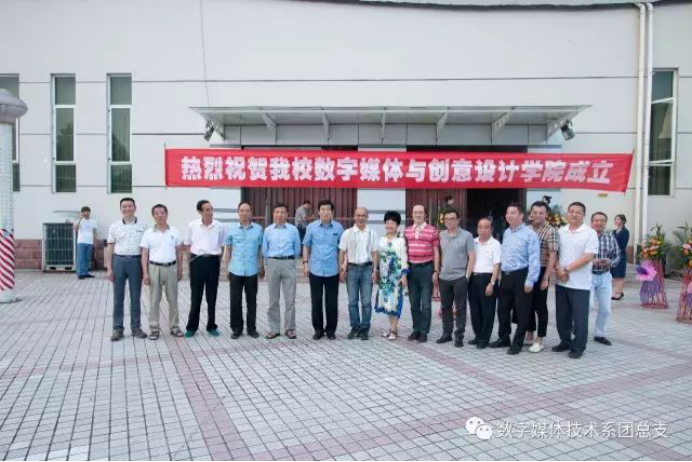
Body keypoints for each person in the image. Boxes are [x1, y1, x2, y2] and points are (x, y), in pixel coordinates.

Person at [490, 203, 540, 355]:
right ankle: (504, 337)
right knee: (502, 310)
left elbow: (534, 259)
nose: (509, 215)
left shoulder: (530, 235)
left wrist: (530, 280)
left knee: (522, 311)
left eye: (513, 213)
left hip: (522, 276)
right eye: (507, 213)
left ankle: (517, 343)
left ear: (521, 215)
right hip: (506, 276)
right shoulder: (506, 232)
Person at [554, 202, 600, 359]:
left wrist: (566, 269)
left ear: (583, 215)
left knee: (580, 318)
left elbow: (588, 257)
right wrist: (559, 271)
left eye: (578, 212)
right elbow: (554, 253)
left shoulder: (590, 233)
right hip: (562, 282)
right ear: (567, 213)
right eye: (571, 211)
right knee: (562, 316)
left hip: (580, 284)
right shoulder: (560, 231)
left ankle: (578, 346)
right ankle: (565, 341)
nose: (574, 214)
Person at [107, 198, 148, 342]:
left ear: (135, 207)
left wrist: (146, 269)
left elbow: (145, 249)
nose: (127, 208)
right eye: (124, 206)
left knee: (135, 297)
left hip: (136, 262)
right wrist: (109, 268)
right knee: (118, 297)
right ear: (121, 209)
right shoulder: (114, 226)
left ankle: (136, 328)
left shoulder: (144, 225)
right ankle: (117, 328)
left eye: (130, 206)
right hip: (119, 261)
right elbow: (110, 247)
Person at [141, 204, 184, 340]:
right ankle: (154, 328)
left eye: (162, 212)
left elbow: (179, 252)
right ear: (153, 216)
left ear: (167, 214)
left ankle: (175, 327)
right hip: (154, 268)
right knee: (154, 300)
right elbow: (144, 254)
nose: (160, 215)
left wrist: (180, 269)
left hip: (171, 268)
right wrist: (145, 273)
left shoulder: (175, 231)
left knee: (173, 299)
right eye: (157, 213)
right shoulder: (148, 233)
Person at [184, 200, 226, 338]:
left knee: (212, 296)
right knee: (196, 296)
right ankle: (192, 327)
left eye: (211, 209)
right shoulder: (192, 225)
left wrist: (218, 262)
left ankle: (211, 326)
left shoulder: (220, 226)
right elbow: (187, 245)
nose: (210, 212)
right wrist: (189, 264)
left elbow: (222, 245)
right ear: (200, 211)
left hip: (213, 262)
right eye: (207, 210)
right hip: (197, 261)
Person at [303, 200, 344, 341]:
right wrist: (305, 264)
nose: (326, 212)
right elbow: (306, 245)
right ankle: (318, 330)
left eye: (328, 209)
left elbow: (342, 249)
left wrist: (342, 265)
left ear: (332, 212)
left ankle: (331, 330)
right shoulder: (311, 227)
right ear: (318, 211)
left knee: (332, 302)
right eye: (323, 209)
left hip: (332, 270)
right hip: (315, 270)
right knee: (316, 301)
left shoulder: (338, 227)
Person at [224, 202, 264, 340]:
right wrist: (227, 268)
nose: (244, 213)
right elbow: (228, 250)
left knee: (251, 301)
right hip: (235, 269)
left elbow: (260, 250)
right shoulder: (231, 229)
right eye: (242, 210)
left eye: (247, 210)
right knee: (235, 301)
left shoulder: (258, 229)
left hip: (252, 270)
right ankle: (237, 329)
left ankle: (252, 329)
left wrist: (261, 266)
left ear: (251, 213)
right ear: (238, 212)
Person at [437, 209, 476, 348]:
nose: (449, 221)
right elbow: (439, 254)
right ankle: (446, 333)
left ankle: (459, 336)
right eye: (447, 219)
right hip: (444, 277)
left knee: (460, 308)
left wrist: (467, 276)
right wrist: (438, 272)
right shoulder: (441, 235)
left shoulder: (467, 235)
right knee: (445, 307)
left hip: (460, 277)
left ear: (458, 220)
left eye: (452, 218)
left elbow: (472, 256)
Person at [263, 204, 302, 340]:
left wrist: (289, 260)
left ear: (287, 215)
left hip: (288, 263)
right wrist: (268, 263)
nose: (279, 214)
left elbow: (297, 249)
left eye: (282, 212)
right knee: (273, 299)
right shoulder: (268, 230)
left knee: (290, 299)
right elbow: (265, 250)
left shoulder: (293, 230)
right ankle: (274, 329)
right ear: (273, 214)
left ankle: (290, 328)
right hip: (272, 263)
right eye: (277, 212)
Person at [339, 207, 378, 341]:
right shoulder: (347, 233)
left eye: (363, 215)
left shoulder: (372, 233)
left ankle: (365, 328)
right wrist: (341, 269)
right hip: (352, 269)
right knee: (352, 301)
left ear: (367, 217)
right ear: (354, 216)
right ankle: (355, 327)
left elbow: (375, 253)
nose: (360, 218)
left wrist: (375, 270)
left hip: (367, 269)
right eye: (358, 215)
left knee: (366, 301)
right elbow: (342, 251)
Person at [526, 201, 560, 353]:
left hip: (541, 270)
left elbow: (553, 255)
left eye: (541, 213)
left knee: (540, 306)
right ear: (531, 214)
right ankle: (529, 334)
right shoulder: (526, 229)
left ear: (546, 214)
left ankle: (540, 339)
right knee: (527, 304)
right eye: (535, 212)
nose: (538, 215)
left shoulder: (551, 231)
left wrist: (546, 277)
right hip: (526, 271)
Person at [404, 205, 440, 343]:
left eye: (420, 212)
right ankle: (416, 329)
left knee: (426, 304)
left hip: (427, 269)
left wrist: (436, 270)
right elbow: (404, 252)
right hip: (412, 270)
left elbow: (436, 252)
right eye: (415, 212)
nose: (418, 214)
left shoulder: (432, 231)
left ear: (425, 214)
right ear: (412, 214)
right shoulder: (407, 231)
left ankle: (424, 332)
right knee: (414, 303)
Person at [374, 211, 409, 341]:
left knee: (395, 303)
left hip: (396, 277)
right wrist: (376, 271)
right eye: (387, 222)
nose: (389, 225)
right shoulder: (382, 239)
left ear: (397, 224)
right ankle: (392, 328)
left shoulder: (401, 239)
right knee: (388, 303)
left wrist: (404, 275)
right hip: (384, 278)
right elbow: (378, 256)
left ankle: (393, 330)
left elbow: (404, 257)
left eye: (392, 223)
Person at [468, 218, 502, 350]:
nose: (483, 230)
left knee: (487, 311)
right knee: (475, 310)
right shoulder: (473, 242)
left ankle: (484, 338)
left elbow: (497, 265)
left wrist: (492, 283)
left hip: (488, 279)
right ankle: (478, 335)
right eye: (480, 227)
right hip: (473, 278)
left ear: (491, 229)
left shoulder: (496, 244)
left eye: (486, 227)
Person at [591, 212, 621, 347]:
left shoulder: (610, 237)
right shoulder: (586, 236)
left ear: (605, 223)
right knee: (587, 306)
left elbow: (618, 255)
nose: (599, 223)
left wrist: (610, 262)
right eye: (596, 220)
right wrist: (591, 262)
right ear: (591, 222)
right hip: (588, 275)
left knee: (605, 308)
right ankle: (578, 330)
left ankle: (600, 334)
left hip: (604, 276)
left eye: (602, 221)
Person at [74, 206, 98, 280]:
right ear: (82, 213)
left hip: (90, 242)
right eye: (84, 212)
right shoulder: (79, 220)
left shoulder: (93, 221)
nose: (86, 213)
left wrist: (95, 241)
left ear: (89, 212)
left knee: (87, 258)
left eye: (87, 212)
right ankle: (80, 273)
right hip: (81, 242)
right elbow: (75, 228)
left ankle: (85, 273)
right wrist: (80, 219)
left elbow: (94, 232)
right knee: (81, 258)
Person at [611, 214, 630, 301]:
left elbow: (623, 245)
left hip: (620, 255)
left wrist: (615, 249)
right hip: (613, 256)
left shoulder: (625, 232)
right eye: (615, 219)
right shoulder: (614, 231)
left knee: (620, 275)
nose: (616, 221)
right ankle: (618, 292)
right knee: (615, 275)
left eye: (617, 219)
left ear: (623, 221)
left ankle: (619, 293)